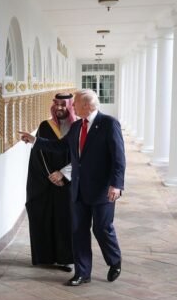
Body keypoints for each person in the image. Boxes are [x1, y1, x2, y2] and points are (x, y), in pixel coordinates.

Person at [19, 89, 125, 286]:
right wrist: (34, 140)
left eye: (75, 103)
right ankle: (82, 273)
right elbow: (60, 146)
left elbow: (119, 159)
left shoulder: (109, 124)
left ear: (87, 105)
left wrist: (116, 185)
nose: (72, 106)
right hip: (78, 189)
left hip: (102, 190)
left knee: (102, 228)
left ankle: (114, 261)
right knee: (78, 230)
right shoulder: (77, 126)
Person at [25, 93, 78, 272]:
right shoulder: (45, 126)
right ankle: (45, 256)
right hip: (46, 182)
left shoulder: (78, 126)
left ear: (70, 106)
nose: (59, 108)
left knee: (66, 219)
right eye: (56, 104)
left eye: (63, 105)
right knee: (44, 216)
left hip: (69, 182)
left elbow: (82, 156)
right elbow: (39, 153)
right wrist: (50, 175)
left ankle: (65, 258)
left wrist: (63, 174)